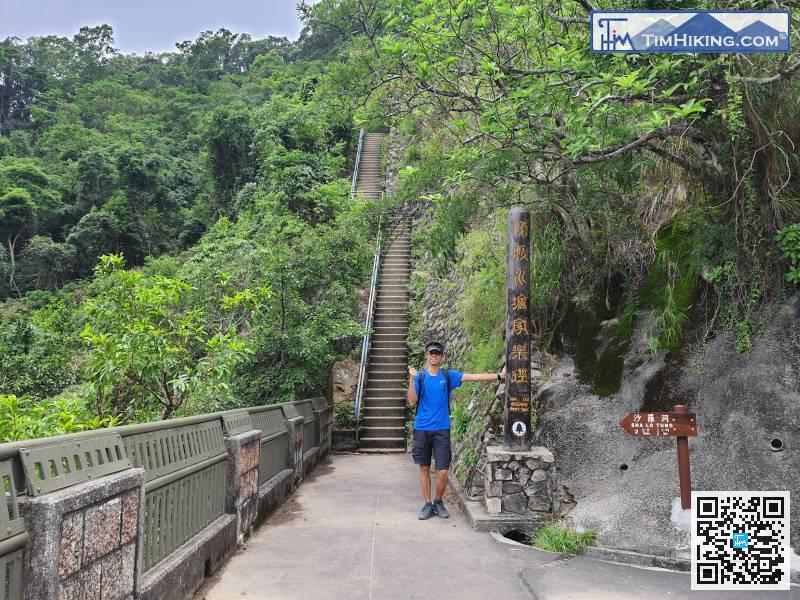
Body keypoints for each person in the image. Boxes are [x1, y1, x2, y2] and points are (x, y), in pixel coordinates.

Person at [407, 340, 505, 520]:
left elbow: (472, 377)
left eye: (437, 353)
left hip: (441, 429)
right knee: (424, 467)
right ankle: (428, 504)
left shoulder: (447, 376)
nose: (434, 356)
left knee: (443, 470)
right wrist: (412, 379)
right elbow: (411, 401)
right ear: (427, 356)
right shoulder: (420, 377)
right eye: (431, 353)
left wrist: (499, 376)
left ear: (442, 357)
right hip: (421, 428)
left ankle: (438, 501)